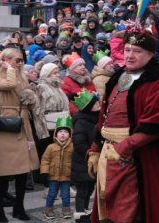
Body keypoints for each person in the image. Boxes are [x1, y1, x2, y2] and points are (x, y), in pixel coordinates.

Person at [88, 24, 159, 223]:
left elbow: (155, 125)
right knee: (107, 207)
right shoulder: (117, 76)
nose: (129, 55)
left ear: (150, 54)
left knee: (130, 212)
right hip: (109, 154)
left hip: (137, 158)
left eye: (137, 51)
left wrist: (123, 147)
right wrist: (95, 149)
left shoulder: (158, 82)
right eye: (126, 50)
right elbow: (104, 117)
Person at [0, 47, 40, 222]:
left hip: (22, 124)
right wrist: (9, 69)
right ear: (5, 59)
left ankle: (19, 207)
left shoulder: (22, 76)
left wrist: (31, 99)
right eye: (17, 60)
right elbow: (8, 85)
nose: (20, 63)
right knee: (3, 171)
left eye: (21, 60)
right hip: (6, 126)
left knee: (23, 172)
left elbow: (26, 97)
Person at [70, 91, 99, 222]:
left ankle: (87, 211)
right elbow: (79, 142)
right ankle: (80, 214)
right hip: (83, 162)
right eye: (95, 102)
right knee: (82, 191)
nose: (98, 103)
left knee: (89, 189)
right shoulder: (81, 122)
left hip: (92, 162)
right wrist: (90, 152)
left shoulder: (97, 118)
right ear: (89, 107)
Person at [40, 117, 74, 221]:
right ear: (56, 133)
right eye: (60, 131)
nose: (62, 134)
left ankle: (66, 209)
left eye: (65, 132)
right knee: (51, 194)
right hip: (53, 175)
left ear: (69, 134)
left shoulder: (73, 147)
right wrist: (45, 172)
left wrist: (74, 172)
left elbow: (75, 161)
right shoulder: (51, 147)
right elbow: (45, 159)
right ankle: (48, 209)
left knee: (65, 194)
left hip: (66, 176)